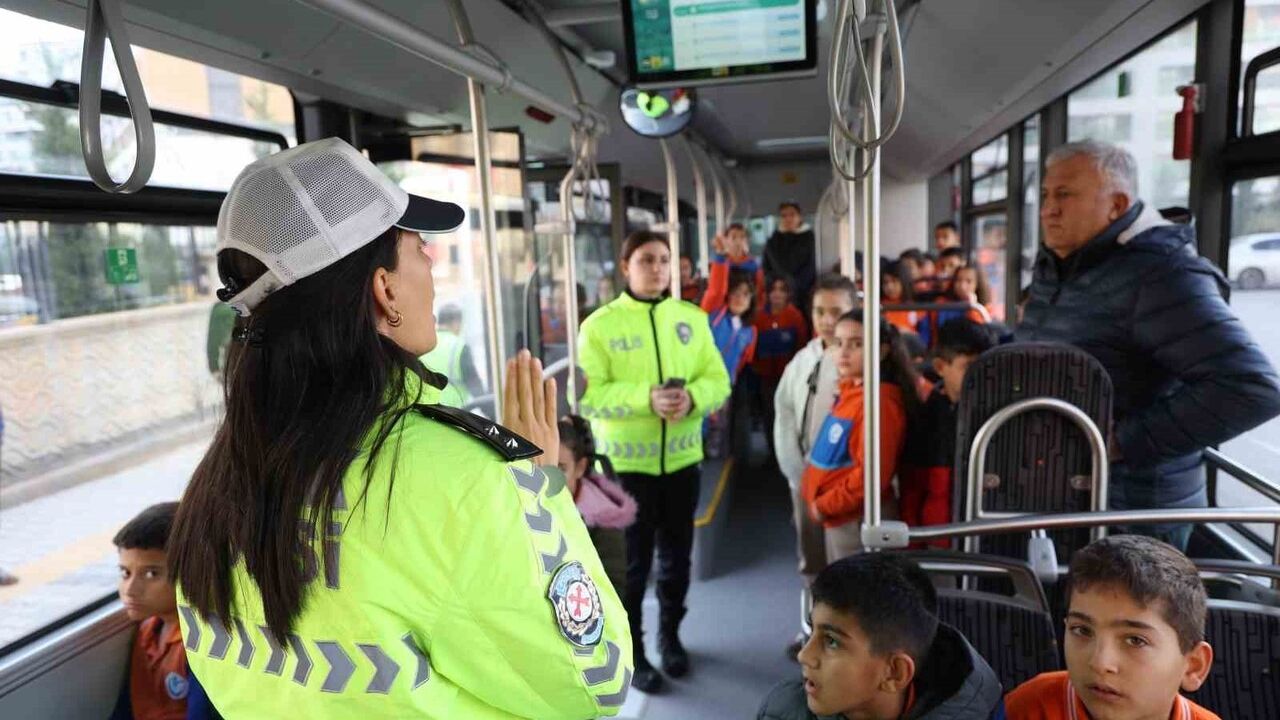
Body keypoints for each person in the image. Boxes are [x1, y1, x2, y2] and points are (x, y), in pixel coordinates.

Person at [169, 138, 631, 718]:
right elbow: (597, 680)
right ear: (384, 288)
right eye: (418, 246)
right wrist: (538, 497)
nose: (432, 264)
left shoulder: (215, 484)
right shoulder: (462, 481)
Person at [1017, 140, 1280, 550]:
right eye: (1047, 195)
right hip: (1064, 498)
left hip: (1131, 516)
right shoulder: (1061, 264)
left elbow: (1252, 388)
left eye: (1065, 195)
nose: (1048, 209)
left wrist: (1121, 441)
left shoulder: (1162, 273)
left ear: (1117, 205)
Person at [578, 230, 732, 692]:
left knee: (677, 561)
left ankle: (670, 637)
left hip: (682, 463)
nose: (658, 269)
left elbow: (718, 380)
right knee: (631, 568)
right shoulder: (600, 326)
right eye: (647, 260)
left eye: (665, 260)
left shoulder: (690, 318)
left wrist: (692, 399)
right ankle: (635, 650)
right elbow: (586, 397)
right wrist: (646, 399)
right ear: (626, 266)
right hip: (626, 471)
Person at [757, 553, 1002, 720]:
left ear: (894, 673)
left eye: (831, 641)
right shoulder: (782, 710)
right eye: (812, 630)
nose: (804, 655)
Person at [997, 535, 1218, 720]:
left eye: (1135, 640)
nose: (1100, 663)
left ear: (1192, 666)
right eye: (1082, 630)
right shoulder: (1033, 707)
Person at [774, 273, 858, 654]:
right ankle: (811, 626)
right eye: (819, 311)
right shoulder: (802, 360)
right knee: (811, 559)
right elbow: (785, 415)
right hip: (805, 478)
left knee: (847, 559)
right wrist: (796, 472)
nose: (826, 320)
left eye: (836, 311)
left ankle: (846, 636)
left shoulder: (856, 362)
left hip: (844, 482)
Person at [801, 312, 917, 561]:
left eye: (857, 344)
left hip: (857, 522)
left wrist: (824, 505)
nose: (844, 352)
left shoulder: (879, 402)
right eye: (838, 343)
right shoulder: (852, 392)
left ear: (882, 351)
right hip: (841, 520)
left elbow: (872, 477)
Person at [110, 502, 215, 720]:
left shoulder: (202, 642)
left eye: (151, 574)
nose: (130, 590)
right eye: (125, 573)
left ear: (190, 573)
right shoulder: (147, 630)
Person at [900, 319, 996, 547]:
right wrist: (912, 541)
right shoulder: (925, 418)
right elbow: (912, 485)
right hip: (938, 534)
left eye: (985, 367)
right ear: (941, 367)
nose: (978, 375)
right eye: (969, 367)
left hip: (986, 533)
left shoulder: (995, 414)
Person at [558, 415, 637, 599]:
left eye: (561, 468)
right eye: (543, 467)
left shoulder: (604, 522)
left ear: (580, 467)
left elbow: (611, 593)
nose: (549, 477)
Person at [751, 275, 810, 454]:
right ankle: (771, 453)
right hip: (765, 377)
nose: (777, 294)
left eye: (782, 290)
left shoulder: (795, 317)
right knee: (769, 415)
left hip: (790, 377)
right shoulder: (759, 317)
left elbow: (801, 347)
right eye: (773, 290)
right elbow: (752, 348)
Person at [420, 303, 483, 408]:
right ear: (456, 323)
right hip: (455, 415)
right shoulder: (459, 346)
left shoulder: (425, 345)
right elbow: (475, 387)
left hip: (428, 413)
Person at [764, 201, 819, 316]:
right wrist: (777, 287)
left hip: (803, 294)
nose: (788, 218)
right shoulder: (772, 242)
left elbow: (811, 267)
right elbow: (767, 268)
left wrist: (791, 287)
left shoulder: (810, 239)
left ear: (800, 217)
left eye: (792, 215)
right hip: (777, 294)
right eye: (784, 215)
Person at [882, 260, 919, 334]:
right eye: (885, 282)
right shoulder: (879, 306)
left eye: (894, 281)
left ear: (904, 281)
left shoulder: (918, 307)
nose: (890, 287)